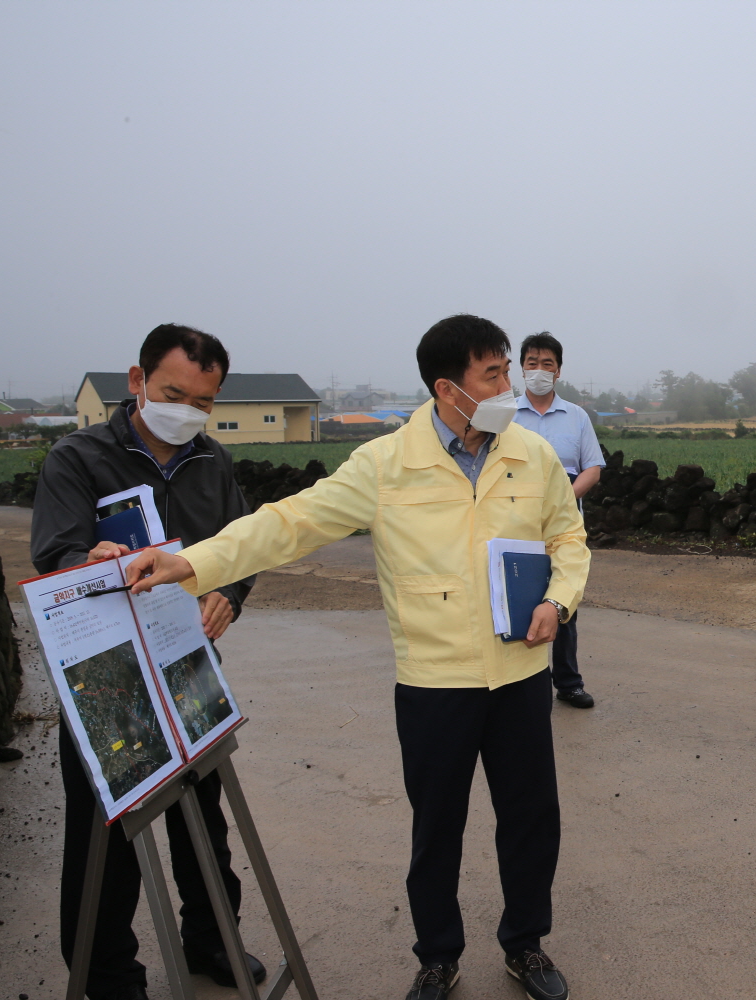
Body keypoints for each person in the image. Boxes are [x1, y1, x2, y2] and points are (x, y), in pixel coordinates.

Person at [122, 314, 589, 1000]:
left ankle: (526, 945)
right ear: (448, 387)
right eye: (493, 374)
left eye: (509, 372)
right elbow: (289, 523)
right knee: (437, 831)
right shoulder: (385, 464)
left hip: (520, 675)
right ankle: (438, 955)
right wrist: (189, 563)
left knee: (530, 822)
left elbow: (568, 541)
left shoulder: (532, 455)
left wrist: (561, 601)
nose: (509, 386)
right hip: (435, 683)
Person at [31, 324, 265, 1000]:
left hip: (187, 663)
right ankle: (106, 973)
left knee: (203, 815)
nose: (186, 411)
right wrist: (88, 562)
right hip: (103, 677)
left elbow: (240, 549)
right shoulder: (78, 458)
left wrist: (230, 594)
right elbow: (55, 554)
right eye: (172, 393)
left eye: (202, 402)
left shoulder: (212, 462)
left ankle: (212, 939)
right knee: (108, 832)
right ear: (136, 382)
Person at [511, 331, 606, 709]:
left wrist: (562, 500)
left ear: (559, 371)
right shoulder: (505, 415)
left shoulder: (577, 416)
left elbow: (593, 467)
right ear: (521, 369)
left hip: (563, 522)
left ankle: (568, 682)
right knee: (514, 595)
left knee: (563, 601)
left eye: (546, 364)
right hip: (515, 519)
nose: (538, 370)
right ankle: (516, 683)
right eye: (531, 363)